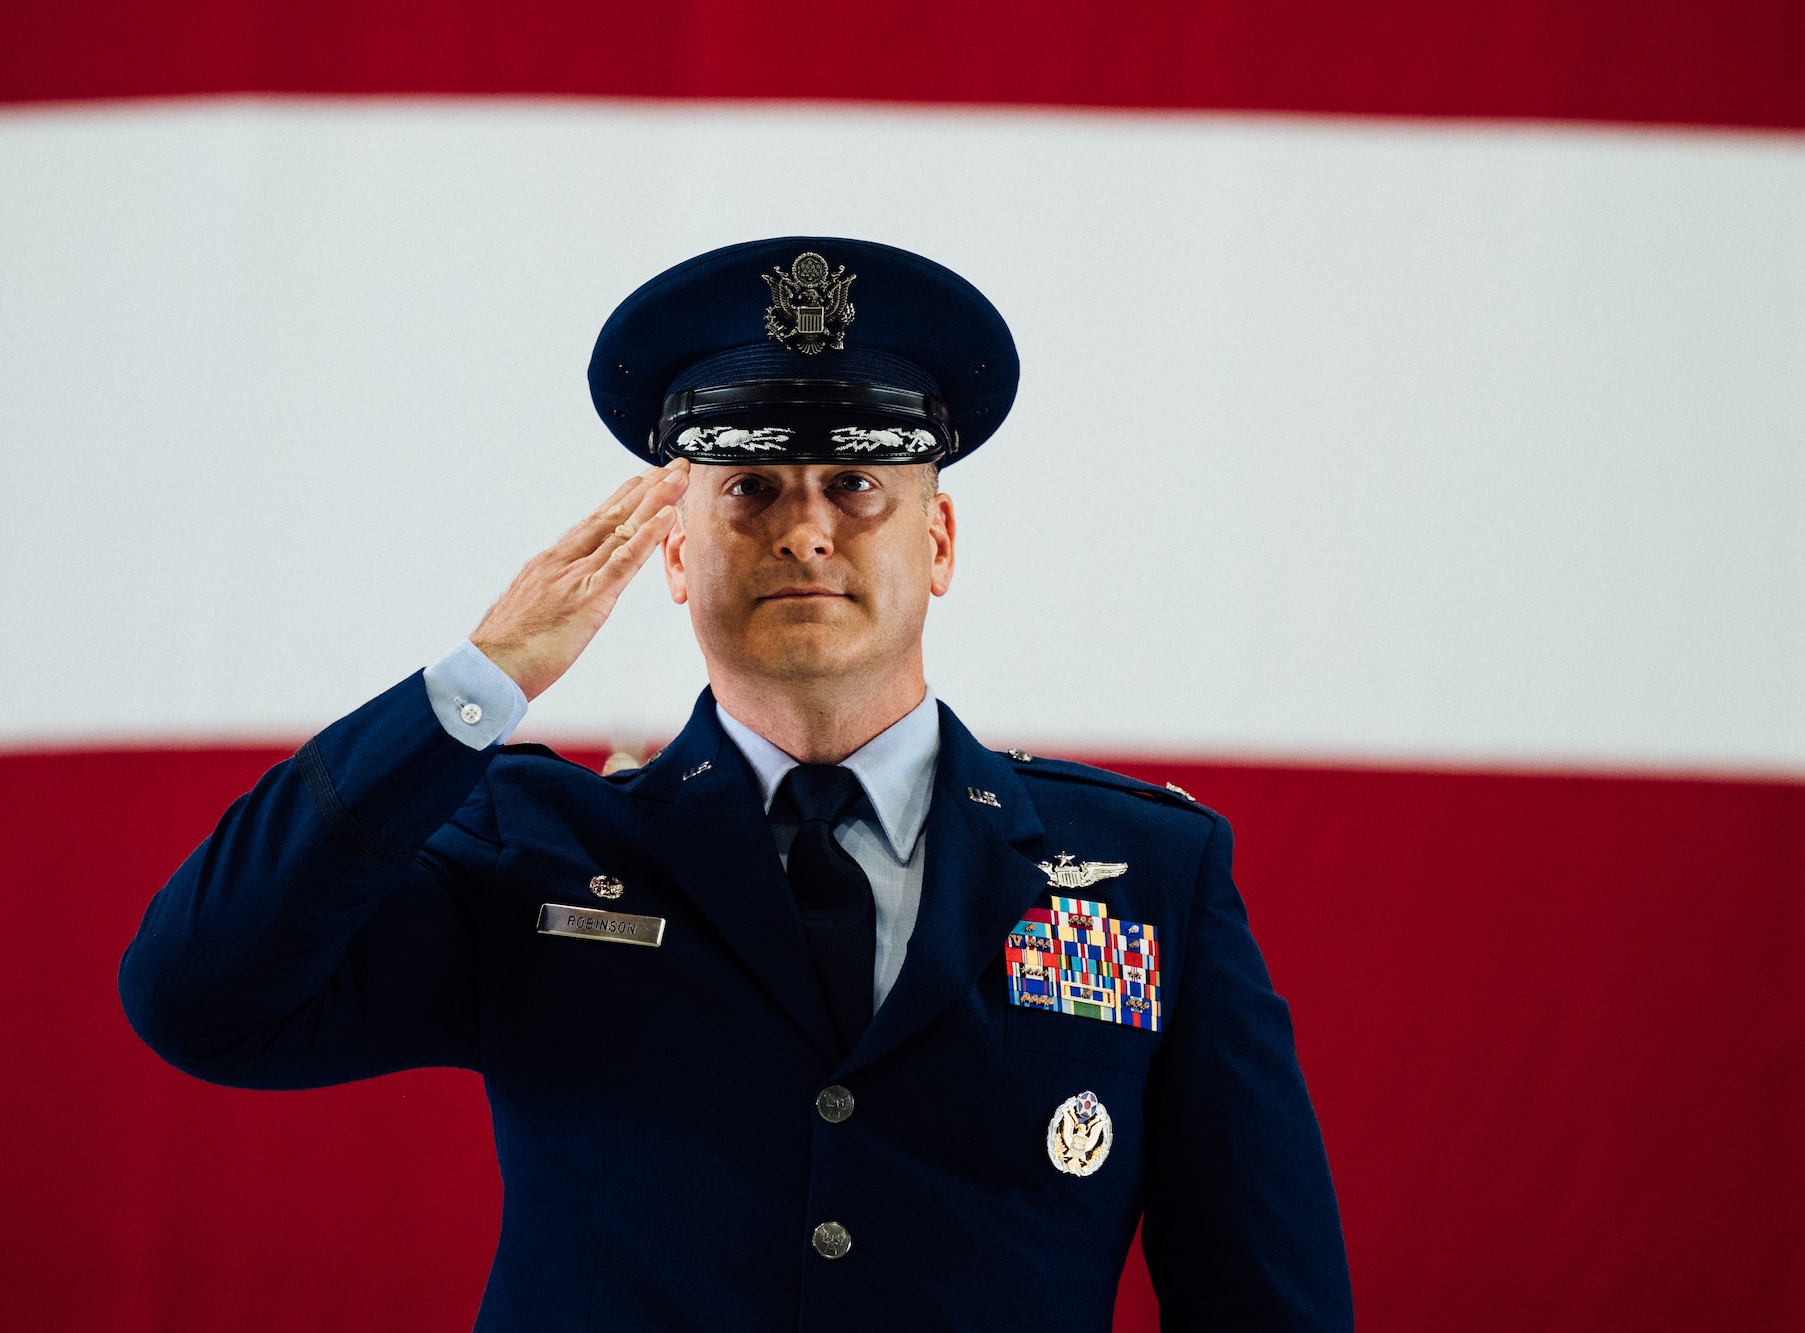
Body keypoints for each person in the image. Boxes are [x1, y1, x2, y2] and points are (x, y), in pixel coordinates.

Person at [120, 237, 1353, 1331]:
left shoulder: (1147, 874)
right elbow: (201, 997)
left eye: (857, 483)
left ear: (938, 542)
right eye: (751, 486)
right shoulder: (532, 842)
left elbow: (1262, 1297)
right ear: (670, 551)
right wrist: (478, 682)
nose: (804, 528)